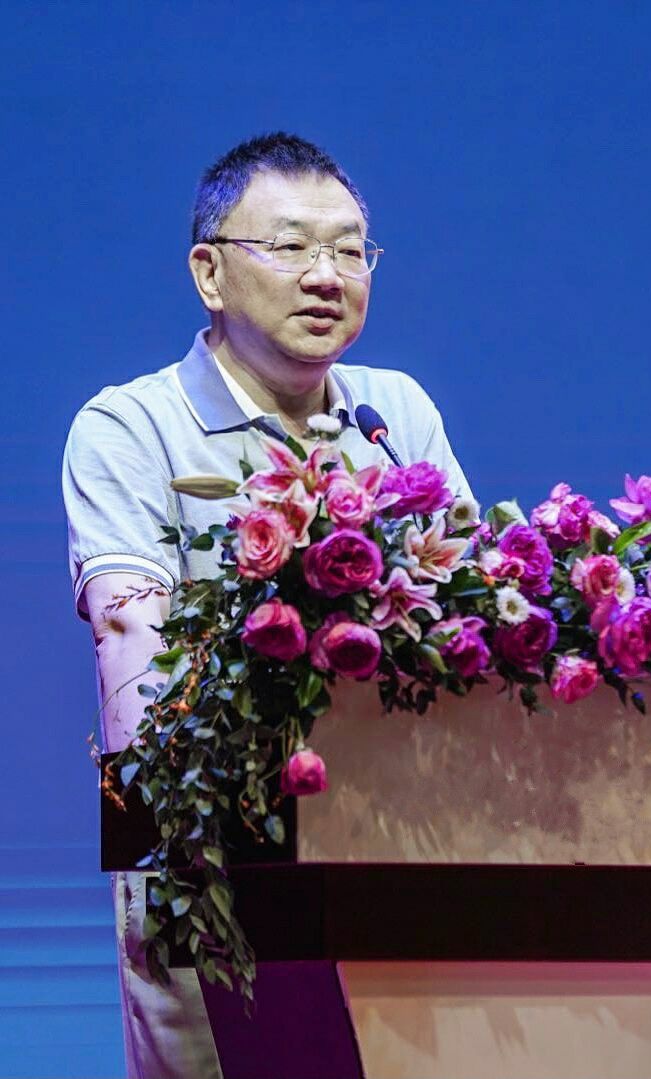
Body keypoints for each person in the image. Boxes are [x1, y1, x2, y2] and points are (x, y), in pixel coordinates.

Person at [62, 131, 473, 1078]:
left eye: (350, 251)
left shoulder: (394, 415)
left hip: (401, 847)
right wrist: (182, 823)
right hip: (214, 861)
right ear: (209, 273)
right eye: (290, 247)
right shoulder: (130, 426)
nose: (327, 276)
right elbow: (129, 638)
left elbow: (468, 618)